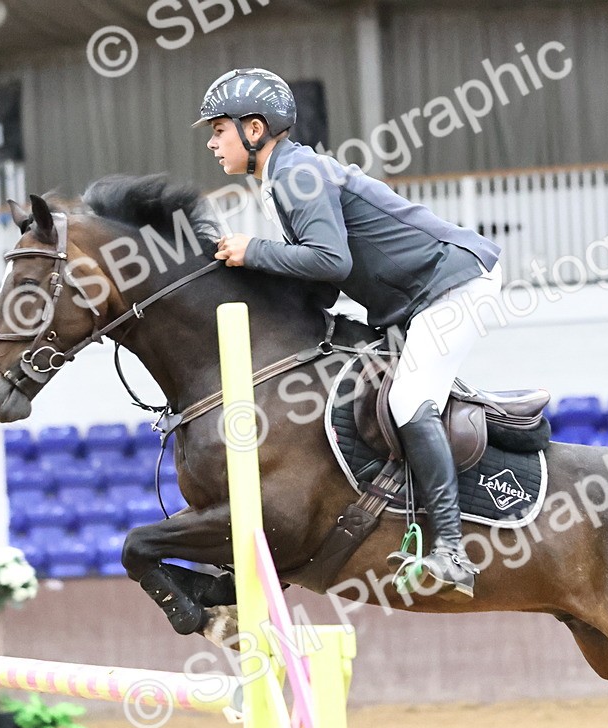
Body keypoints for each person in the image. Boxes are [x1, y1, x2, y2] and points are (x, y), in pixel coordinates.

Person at [195, 67, 501, 599]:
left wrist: (254, 251)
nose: (211, 141)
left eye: (219, 129)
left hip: (454, 284)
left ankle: (451, 549)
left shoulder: (296, 174)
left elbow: (330, 261)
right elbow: (321, 279)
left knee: (407, 399)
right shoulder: (282, 177)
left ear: (254, 128)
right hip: (412, 300)